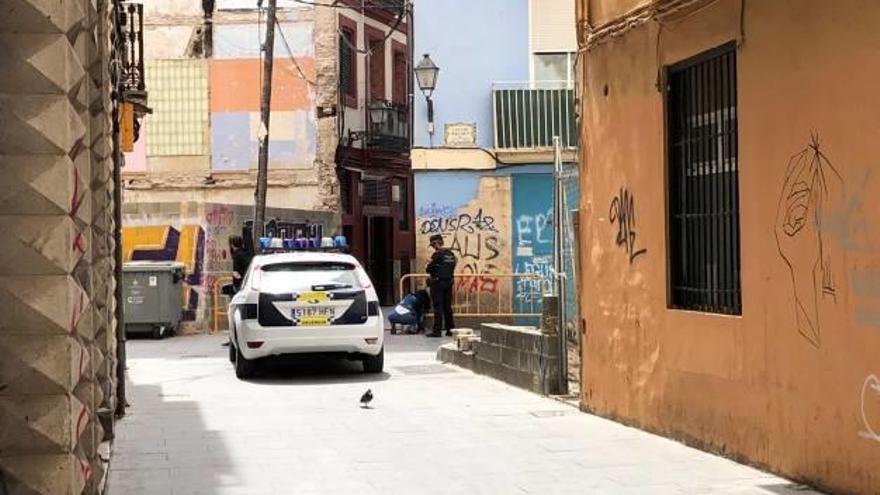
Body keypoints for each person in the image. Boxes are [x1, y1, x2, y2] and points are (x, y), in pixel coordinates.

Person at [425, 234, 456, 337]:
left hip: (437, 283)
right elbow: (453, 265)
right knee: (448, 307)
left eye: (433, 245)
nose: (433, 247)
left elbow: (429, 269)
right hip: (449, 282)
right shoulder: (451, 254)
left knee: (438, 307)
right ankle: (450, 330)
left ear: (436, 243)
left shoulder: (437, 255)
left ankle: (437, 331)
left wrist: (428, 263)